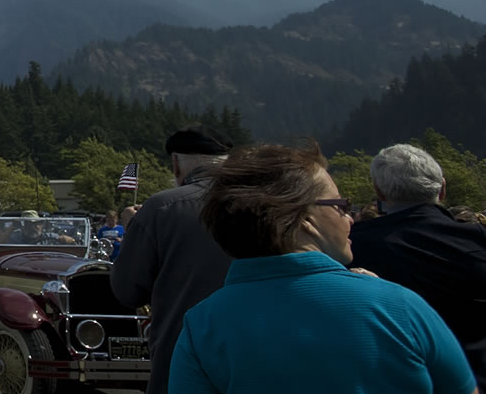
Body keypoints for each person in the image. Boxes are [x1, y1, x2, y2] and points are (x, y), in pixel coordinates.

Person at [168, 143, 476, 394]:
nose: (349, 218)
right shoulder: (399, 305)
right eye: (340, 206)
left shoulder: (203, 324)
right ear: (305, 220)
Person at [347, 144, 486, 386]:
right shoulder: (478, 240)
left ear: (379, 192)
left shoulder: (352, 246)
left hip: (394, 381)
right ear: (442, 189)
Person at [112, 124, 235, 394]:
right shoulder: (267, 204)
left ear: (176, 164)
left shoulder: (160, 208)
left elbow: (128, 291)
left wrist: (132, 229)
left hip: (183, 352)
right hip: (262, 348)